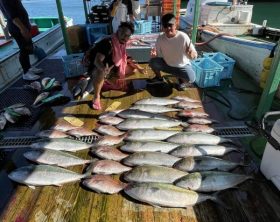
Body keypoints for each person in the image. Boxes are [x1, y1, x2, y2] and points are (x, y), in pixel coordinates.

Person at [87, 22, 146, 110]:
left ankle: (107, 81)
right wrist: (104, 69)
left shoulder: (122, 44)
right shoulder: (108, 43)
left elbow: (126, 57)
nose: (124, 37)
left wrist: (139, 67)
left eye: (127, 36)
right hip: (99, 68)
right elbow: (97, 61)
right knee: (100, 72)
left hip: (112, 68)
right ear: (118, 31)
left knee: (133, 70)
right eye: (122, 33)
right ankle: (96, 97)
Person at [149, 13, 198, 90]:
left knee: (192, 78)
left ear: (175, 25)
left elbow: (194, 55)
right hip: (167, 64)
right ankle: (159, 78)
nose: (168, 28)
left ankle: (182, 80)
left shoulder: (183, 37)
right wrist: (154, 55)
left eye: (170, 25)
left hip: (181, 66)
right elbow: (157, 54)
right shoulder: (160, 37)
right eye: (165, 26)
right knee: (153, 62)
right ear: (163, 27)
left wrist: (191, 54)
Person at [0, 0, 43, 81]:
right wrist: (23, 29)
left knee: (28, 47)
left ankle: (29, 68)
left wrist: (27, 25)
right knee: (24, 49)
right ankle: (26, 73)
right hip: (17, 28)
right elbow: (12, 17)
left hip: (24, 25)